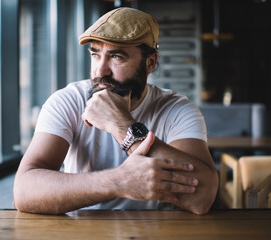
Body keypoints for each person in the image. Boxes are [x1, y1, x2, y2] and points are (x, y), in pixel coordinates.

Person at [13, 7, 218, 215]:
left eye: (117, 57)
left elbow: (202, 197)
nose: (100, 71)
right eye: (95, 55)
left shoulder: (177, 110)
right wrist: (118, 182)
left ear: (150, 62)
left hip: (153, 232)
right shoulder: (68, 101)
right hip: (79, 231)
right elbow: (24, 192)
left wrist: (122, 125)